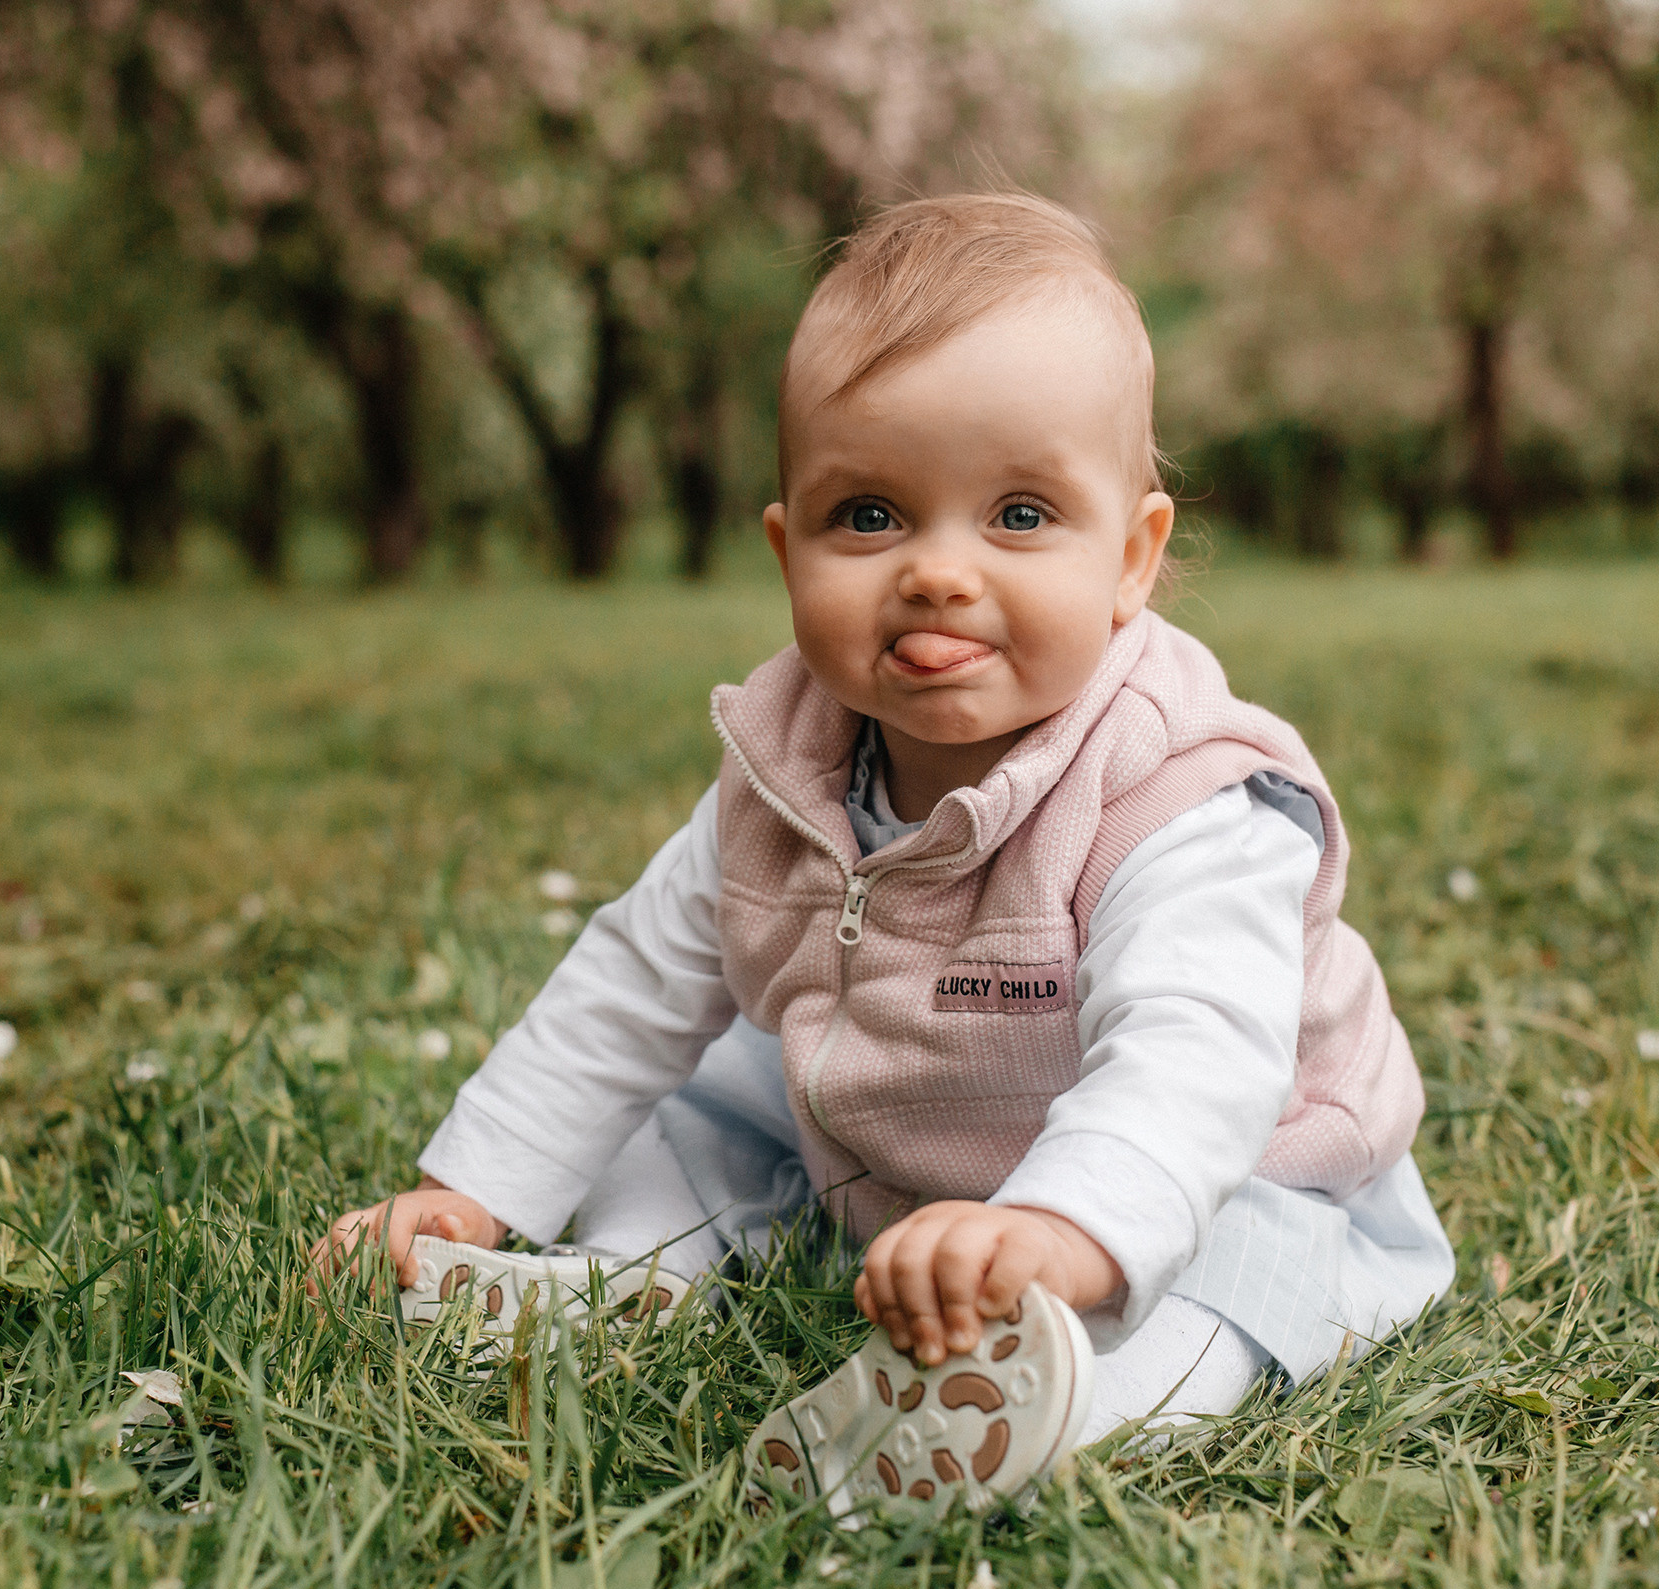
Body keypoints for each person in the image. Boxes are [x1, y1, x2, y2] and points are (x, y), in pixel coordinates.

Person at [318, 192, 1454, 1516]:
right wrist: (469, 1191)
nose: (936, 573)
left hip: (1212, 1176)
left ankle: (1063, 1406)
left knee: (1231, 1293)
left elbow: (1193, 1067)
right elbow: (626, 989)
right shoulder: (781, 772)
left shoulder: (1182, 797)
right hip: (886, 1143)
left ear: (1132, 559)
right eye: (870, 517)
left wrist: (1059, 1236)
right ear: (787, 548)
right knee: (693, 1110)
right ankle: (626, 1286)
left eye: (1021, 516)